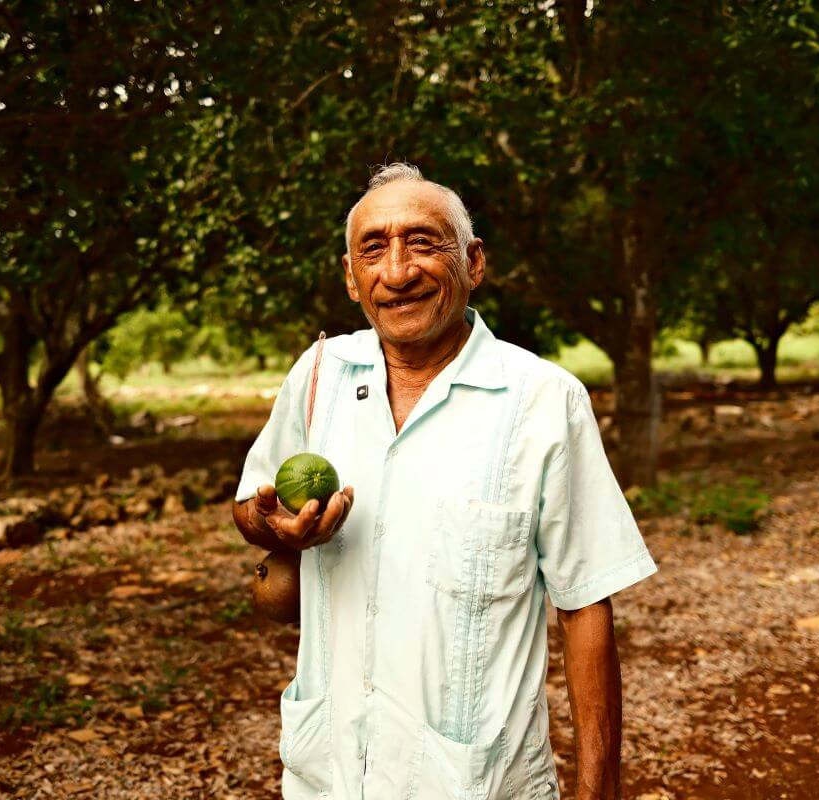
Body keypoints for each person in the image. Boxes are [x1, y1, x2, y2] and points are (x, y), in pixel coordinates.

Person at [231, 163, 656, 800]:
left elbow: (585, 601)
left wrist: (600, 793)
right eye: (373, 249)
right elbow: (250, 506)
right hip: (330, 778)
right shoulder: (319, 376)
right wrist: (276, 527)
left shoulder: (543, 399)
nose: (397, 272)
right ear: (351, 278)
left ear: (474, 262)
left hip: (477, 784)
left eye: (424, 243)